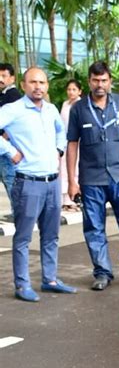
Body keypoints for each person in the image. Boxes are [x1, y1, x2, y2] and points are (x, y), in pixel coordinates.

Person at [66, 60, 119, 291]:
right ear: (89, 81)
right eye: (95, 80)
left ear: (109, 81)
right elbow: (72, 144)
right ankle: (102, 273)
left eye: (104, 80)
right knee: (94, 227)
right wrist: (72, 181)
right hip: (91, 180)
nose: (100, 84)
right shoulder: (79, 109)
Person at [0, 67, 77, 302]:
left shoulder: (51, 109)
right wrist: (10, 151)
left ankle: (50, 280)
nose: (38, 87)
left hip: (52, 182)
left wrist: (58, 149)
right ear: (23, 84)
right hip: (28, 182)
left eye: (42, 82)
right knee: (23, 237)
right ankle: (22, 285)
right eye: (33, 82)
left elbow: (60, 131)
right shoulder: (12, 110)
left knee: (51, 235)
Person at [0, 62, 22, 211]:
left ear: (12, 78)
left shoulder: (13, 96)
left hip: (7, 149)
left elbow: (16, 121)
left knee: (10, 180)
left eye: (4, 76)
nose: (0, 79)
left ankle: (20, 213)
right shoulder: (2, 94)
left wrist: (6, 140)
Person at [59, 79, 82, 212]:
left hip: (78, 142)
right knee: (64, 169)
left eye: (74, 89)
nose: (71, 92)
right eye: (69, 89)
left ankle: (76, 197)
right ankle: (65, 200)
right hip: (65, 142)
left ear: (79, 91)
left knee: (76, 170)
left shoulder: (81, 105)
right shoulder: (65, 104)